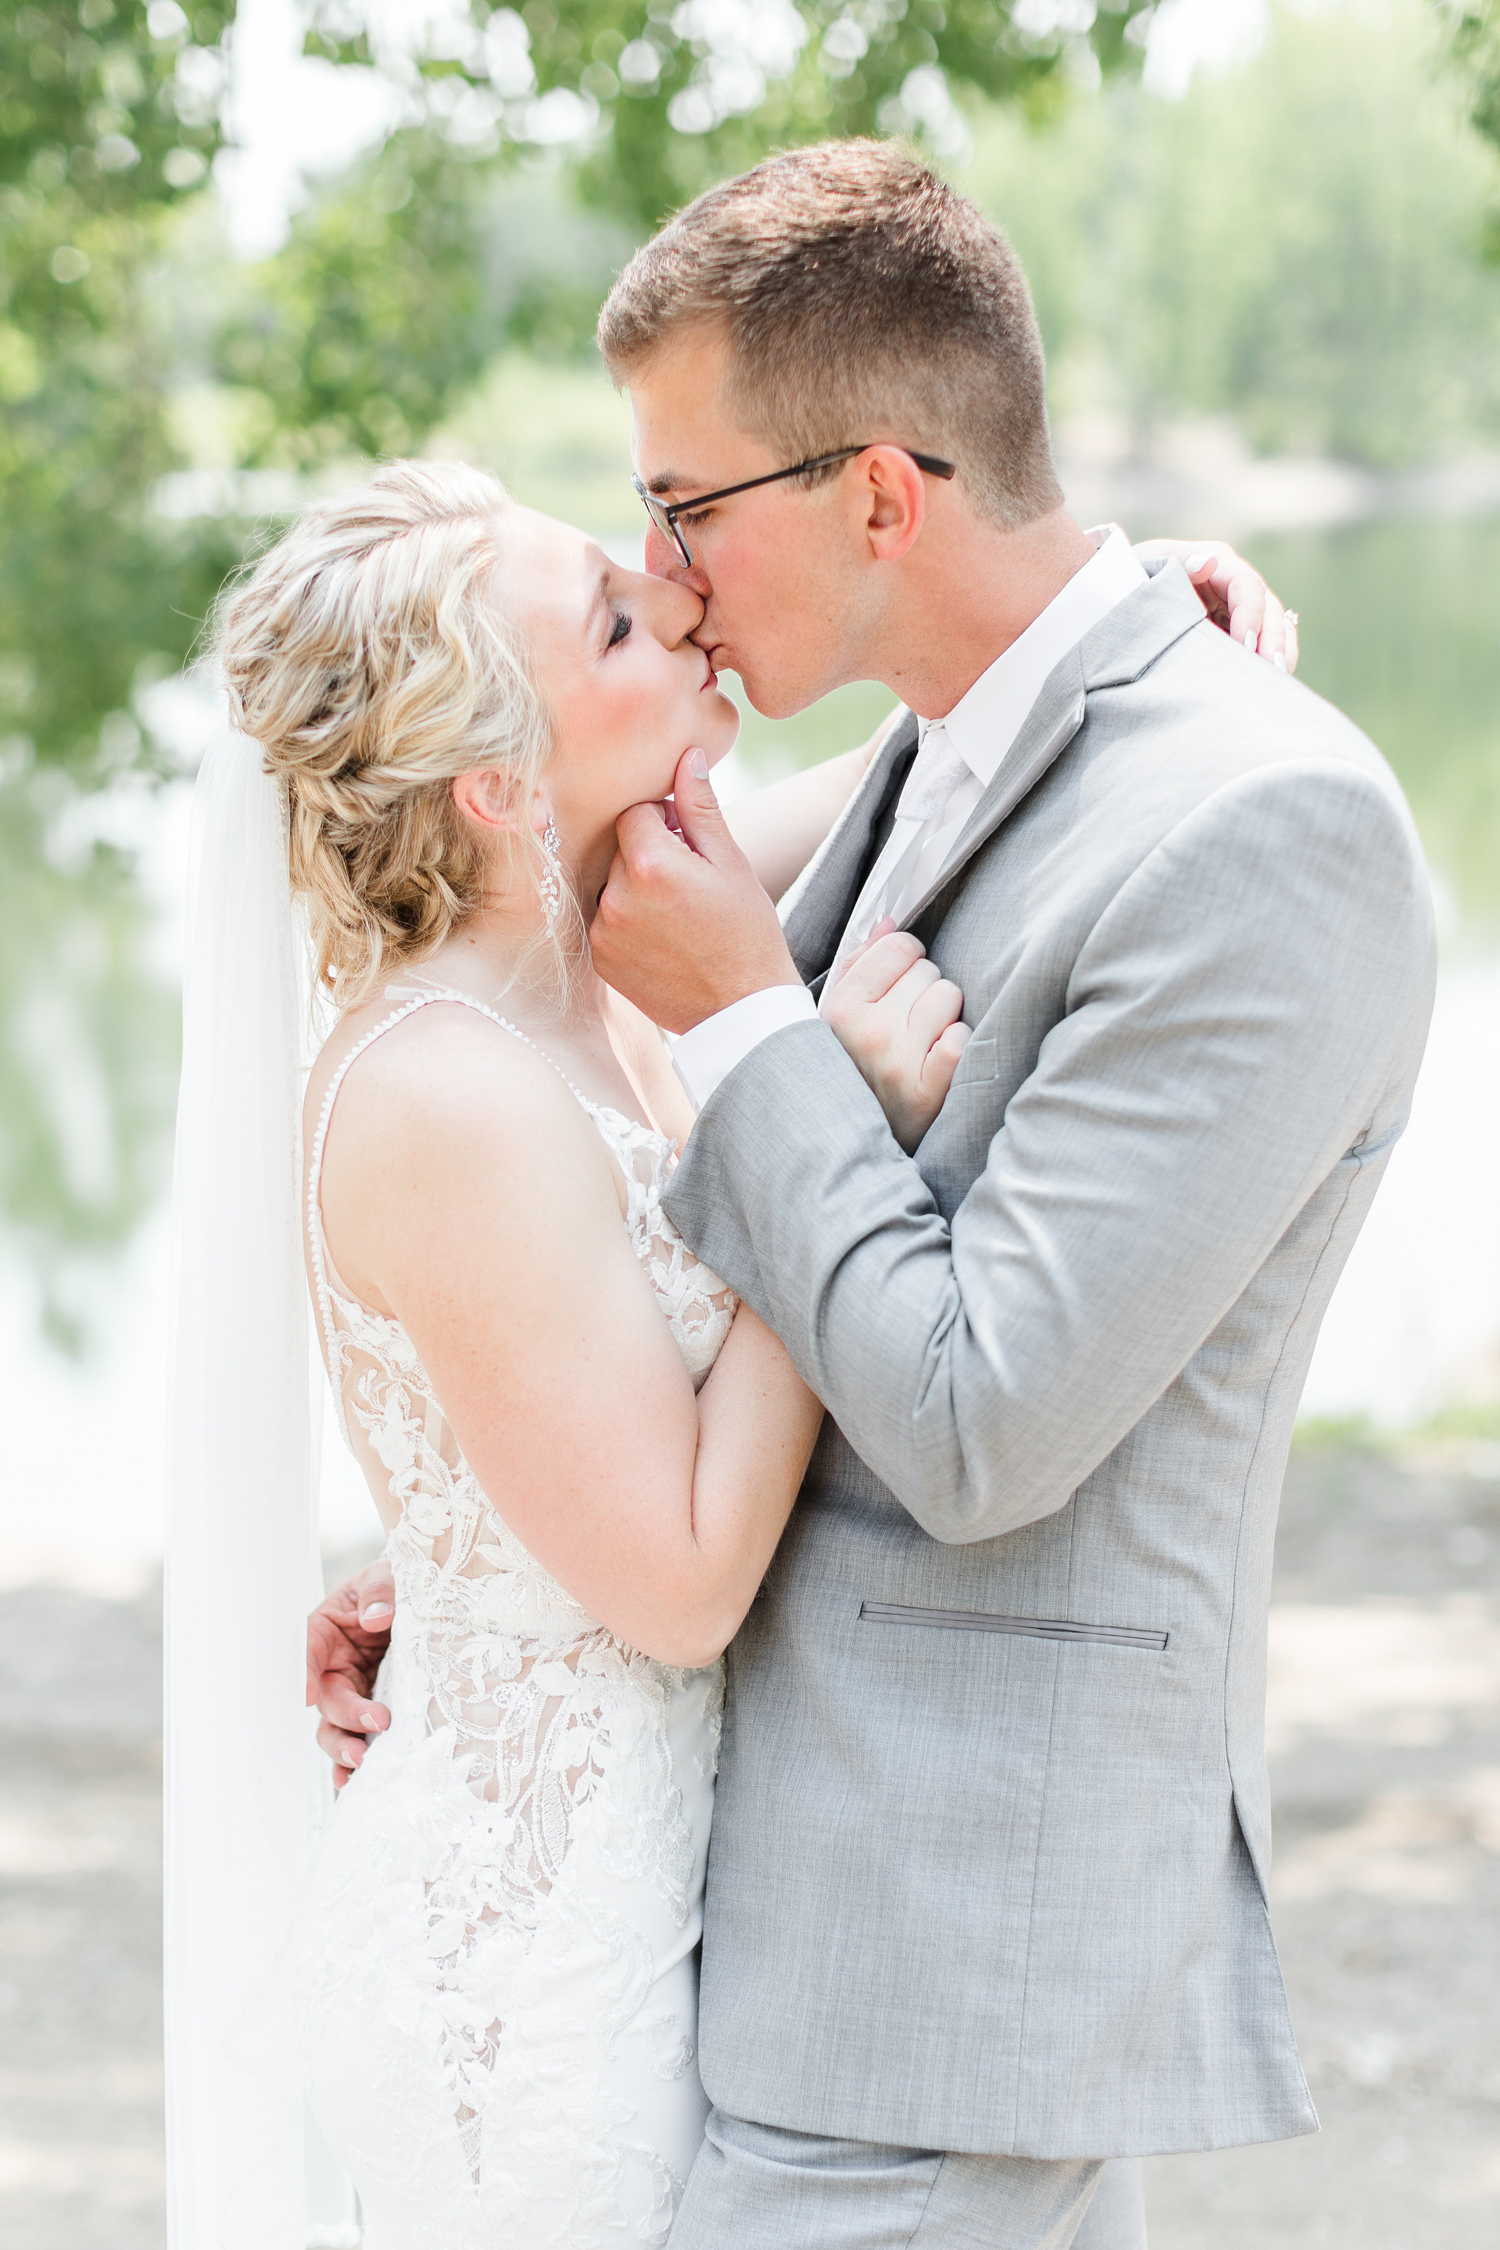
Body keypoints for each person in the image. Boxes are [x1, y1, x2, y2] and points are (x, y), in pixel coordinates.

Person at [299, 141, 1429, 2250]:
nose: (673, 570)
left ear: (881, 496)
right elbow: (615, 1235)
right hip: (741, 1945)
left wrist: (754, 1032)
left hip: (937, 1970)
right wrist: (478, 1569)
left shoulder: (1261, 826)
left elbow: (985, 1416)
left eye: (685, 507)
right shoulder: (925, 750)